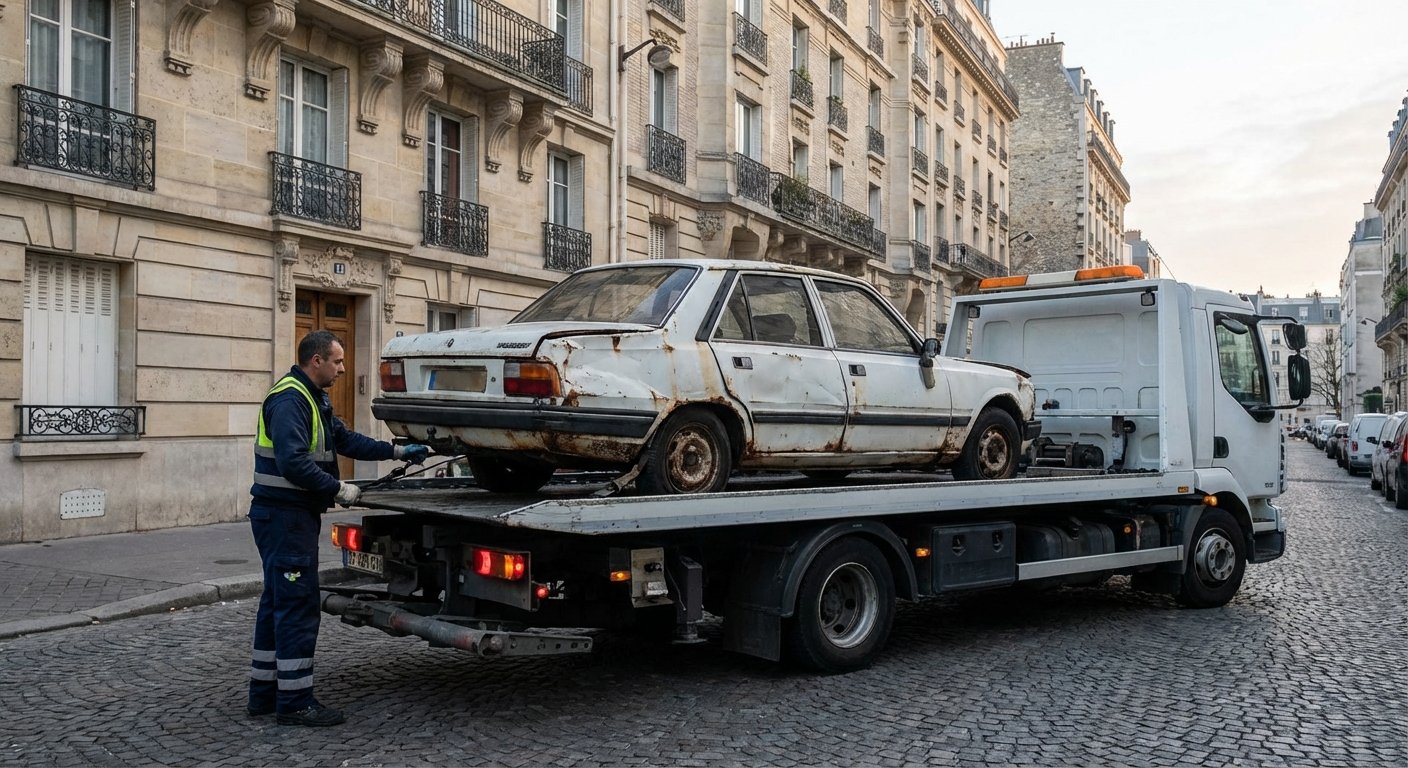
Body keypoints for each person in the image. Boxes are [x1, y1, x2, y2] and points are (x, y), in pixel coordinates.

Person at [246, 330, 429, 727]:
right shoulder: (291, 400)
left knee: (277, 601)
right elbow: (294, 463)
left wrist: (397, 450)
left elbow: (345, 439)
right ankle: (294, 702)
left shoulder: (312, 397)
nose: (344, 369)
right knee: (297, 605)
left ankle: (263, 694)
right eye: (338, 361)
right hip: (285, 517)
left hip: (286, 516)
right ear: (317, 361)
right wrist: (339, 489)